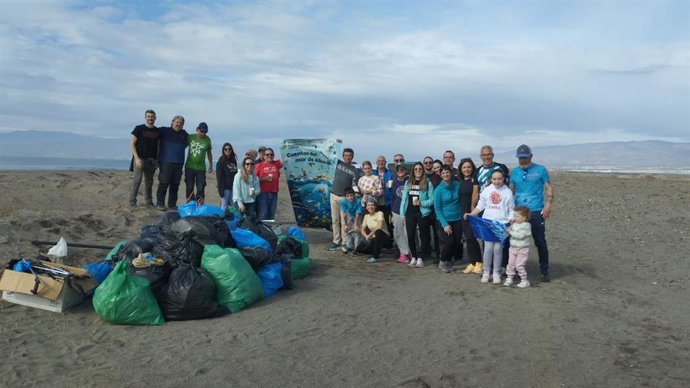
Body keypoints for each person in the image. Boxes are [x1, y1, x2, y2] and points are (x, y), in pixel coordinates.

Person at [510, 144, 554, 283]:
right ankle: (515, 270)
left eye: (525, 157)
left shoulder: (540, 170)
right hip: (519, 212)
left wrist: (548, 204)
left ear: (530, 156)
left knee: (540, 241)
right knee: (516, 240)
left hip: (535, 211)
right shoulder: (514, 172)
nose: (522, 160)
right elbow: (510, 191)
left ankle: (544, 271)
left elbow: (549, 188)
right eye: (520, 158)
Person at [467, 169, 514, 284]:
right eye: (494, 179)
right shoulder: (487, 190)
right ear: (491, 179)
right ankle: (486, 272)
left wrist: (511, 219)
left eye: (499, 179)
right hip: (487, 222)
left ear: (504, 179)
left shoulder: (507, 192)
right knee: (488, 248)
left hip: (501, 224)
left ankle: (496, 273)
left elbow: (511, 208)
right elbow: (480, 205)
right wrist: (471, 214)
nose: (497, 181)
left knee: (498, 249)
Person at [400, 162, 434, 269]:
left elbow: (432, 200)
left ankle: (421, 258)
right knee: (410, 236)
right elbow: (404, 200)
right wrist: (402, 214)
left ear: (423, 170)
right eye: (416, 169)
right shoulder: (408, 182)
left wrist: (422, 203)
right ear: (413, 171)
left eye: (420, 169)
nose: (418, 171)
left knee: (423, 236)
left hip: (422, 213)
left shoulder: (427, 182)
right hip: (410, 213)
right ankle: (413, 257)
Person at [328, 148, 360, 251]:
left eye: (349, 155)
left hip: (344, 198)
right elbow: (329, 153)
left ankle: (345, 242)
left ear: (352, 157)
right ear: (343, 156)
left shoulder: (354, 170)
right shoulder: (337, 164)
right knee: (335, 220)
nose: (347, 157)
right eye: (345, 155)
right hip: (333, 195)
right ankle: (336, 241)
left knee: (344, 221)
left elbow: (355, 186)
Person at [434, 165, 462, 273]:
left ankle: (448, 261)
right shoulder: (438, 190)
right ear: (441, 175)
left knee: (456, 242)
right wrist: (445, 224)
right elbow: (437, 209)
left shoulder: (457, 185)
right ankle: (442, 261)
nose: (446, 175)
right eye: (443, 173)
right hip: (444, 219)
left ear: (451, 173)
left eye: (447, 172)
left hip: (458, 218)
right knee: (449, 242)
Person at [156, 115, 188, 211]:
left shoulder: (185, 134)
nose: (178, 124)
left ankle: (172, 204)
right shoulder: (163, 131)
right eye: (177, 122)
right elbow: (152, 132)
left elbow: (187, 144)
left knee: (175, 185)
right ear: (172, 122)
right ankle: (160, 203)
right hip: (165, 162)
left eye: (181, 123)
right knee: (164, 183)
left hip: (179, 163)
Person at [129, 109, 159, 209]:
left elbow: (158, 147)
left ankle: (149, 203)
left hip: (151, 161)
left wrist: (157, 160)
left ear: (155, 118)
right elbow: (132, 145)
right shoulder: (139, 129)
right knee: (137, 180)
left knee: (149, 182)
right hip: (140, 159)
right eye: (148, 116)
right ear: (145, 117)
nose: (150, 118)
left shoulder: (157, 131)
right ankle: (132, 202)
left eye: (152, 116)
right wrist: (136, 158)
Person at [457, 158, 483, 274]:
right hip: (462, 213)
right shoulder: (460, 181)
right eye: (464, 167)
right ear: (461, 169)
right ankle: (472, 263)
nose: (466, 169)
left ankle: (479, 263)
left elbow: (475, 195)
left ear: (472, 168)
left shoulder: (474, 180)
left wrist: (472, 212)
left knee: (472, 238)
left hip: (471, 212)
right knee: (468, 238)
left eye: (469, 167)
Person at [184, 122, 213, 203]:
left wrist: (211, 165)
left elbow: (209, 153)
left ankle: (199, 204)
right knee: (189, 187)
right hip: (189, 166)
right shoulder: (190, 137)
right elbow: (182, 146)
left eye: (205, 132)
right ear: (197, 129)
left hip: (201, 168)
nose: (203, 133)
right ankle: (190, 203)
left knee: (200, 187)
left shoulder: (207, 139)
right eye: (202, 131)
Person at [504, 206, 532, 288]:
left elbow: (520, 236)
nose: (514, 218)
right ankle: (509, 278)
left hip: (522, 249)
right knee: (511, 264)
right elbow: (510, 229)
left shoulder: (526, 226)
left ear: (524, 218)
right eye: (514, 216)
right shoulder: (515, 224)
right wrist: (510, 226)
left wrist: (510, 232)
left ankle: (524, 280)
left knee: (519, 265)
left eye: (516, 216)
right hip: (513, 248)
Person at [255, 147, 283, 220]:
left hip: (274, 193)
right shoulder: (259, 165)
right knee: (263, 214)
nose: (269, 156)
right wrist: (264, 178)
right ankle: (262, 230)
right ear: (263, 156)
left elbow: (286, 159)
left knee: (271, 214)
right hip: (263, 193)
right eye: (267, 154)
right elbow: (253, 179)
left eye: (271, 154)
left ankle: (269, 230)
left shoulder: (276, 164)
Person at [360, 198, 391, 264]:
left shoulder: (380, 213)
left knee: (378, 231)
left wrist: (369, 235)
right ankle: (377, 249)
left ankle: (375, 256)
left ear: (375, 206)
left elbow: (379, 226)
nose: (370, 207)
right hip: (373, 238)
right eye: (368, 205)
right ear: (366, 207)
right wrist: (366, 236)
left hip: (383, 236)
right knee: (361, 249)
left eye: (372, 205)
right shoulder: (366, 216)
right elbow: (362, 229)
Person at [390, 163, 410, 263]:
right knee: (398, 233)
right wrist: (391, 212)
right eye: (398, 170)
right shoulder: (394, 182)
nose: (400, 172)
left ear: (405, 170)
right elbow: (393, 198)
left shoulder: (409, 181)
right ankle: (404, 253)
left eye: (402, 170)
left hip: (407, 212)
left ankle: (411, 253)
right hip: (396, 211)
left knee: (408, 233)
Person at [373, 155, 393, 235]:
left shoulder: (390, 173)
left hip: (387, 203)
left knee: (388, 223)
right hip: (375, 203)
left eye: (382, 161)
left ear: (385, 162)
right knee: (376, 223)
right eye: (378, 161)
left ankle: (388, 242)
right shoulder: (373, 173)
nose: (380, 162)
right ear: (376, 163)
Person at [215, 142, 238, 211]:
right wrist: (220, 191)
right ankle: (222, 220)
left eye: (229, 149)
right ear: (223, 150)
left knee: (233, 207)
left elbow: (235, 175)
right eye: (225, 149)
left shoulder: (233, 161)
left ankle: (233, 221)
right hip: (225, 188)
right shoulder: (220, 162)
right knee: (224, 206)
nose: (227, 150)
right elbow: (219, 177)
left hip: (233, 188)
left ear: (231, 150)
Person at [339, 187, 362, 254]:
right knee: (347, 230)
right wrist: (345, 224)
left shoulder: (358, 201)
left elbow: (358, 213)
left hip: (357, 214)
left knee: (357, 230)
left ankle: (357, 247)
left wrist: (356, 225)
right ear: (345, 197)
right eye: (347, 196)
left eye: (351, 195)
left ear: (354, 195)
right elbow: (344, 214)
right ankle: (349, 246)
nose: (350, 197)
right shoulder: (343, 201)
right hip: (349, 214)